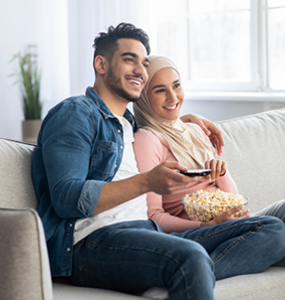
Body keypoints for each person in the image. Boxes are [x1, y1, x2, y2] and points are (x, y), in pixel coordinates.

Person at [32, 23, 285, 300]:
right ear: (101, 64)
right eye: (130, 59)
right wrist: (147, 182)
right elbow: (66, 198)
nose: (140, 70)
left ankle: (178, 278)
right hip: (93, 242)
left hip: (148, 233)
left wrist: (186, 121)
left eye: (144, 63)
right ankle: (184, 274)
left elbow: (158, 121)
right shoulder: (74, 114)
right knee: (191, 257)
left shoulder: (127, 124)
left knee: (273, 228)